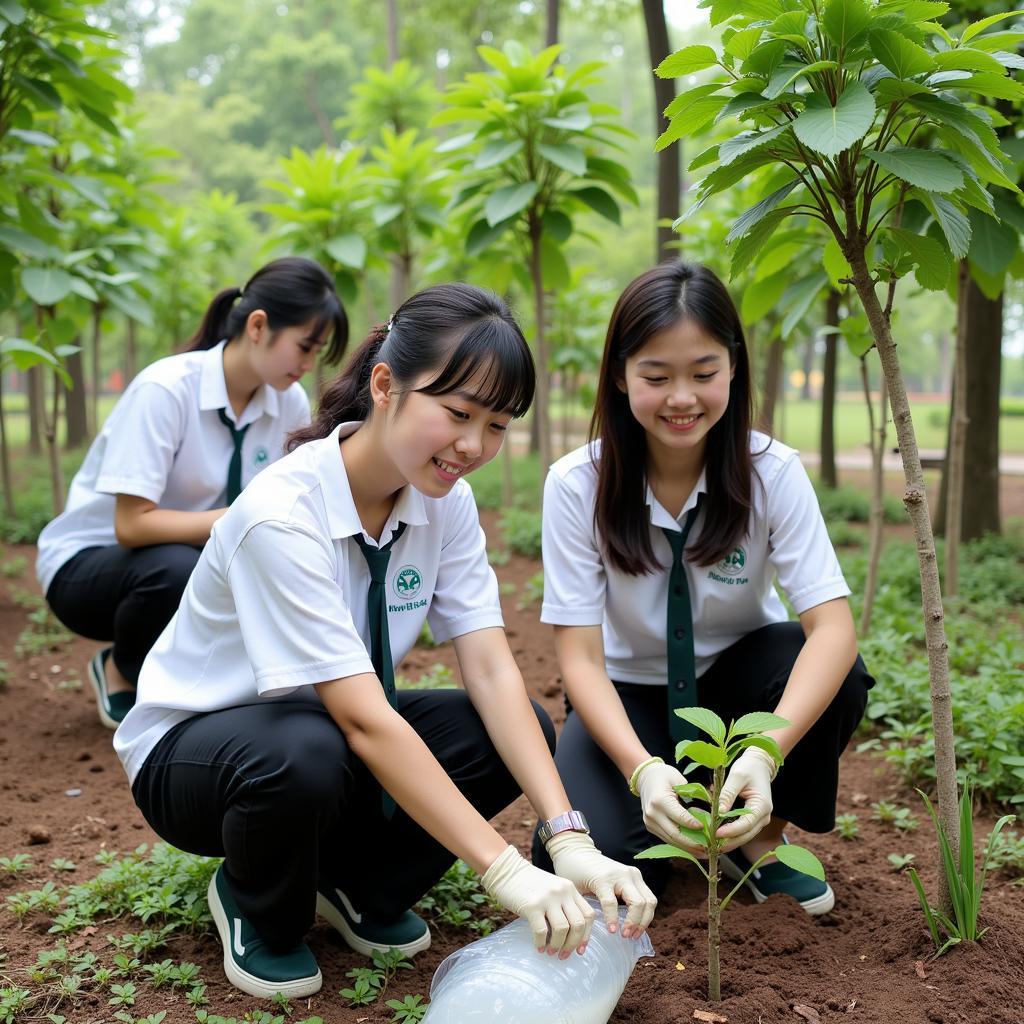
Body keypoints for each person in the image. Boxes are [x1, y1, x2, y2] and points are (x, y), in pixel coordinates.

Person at [112, 283, 657, 1000]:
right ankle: (253, 899)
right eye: (457, 412)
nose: (473, 445)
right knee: (309, 749)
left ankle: (351, 886)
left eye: (496, 425)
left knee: (510, 722)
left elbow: (489, 667)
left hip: (328, 736)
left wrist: (568, 837)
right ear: (384, 386)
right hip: (202, 754)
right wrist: (504, 869)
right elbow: (365, 720)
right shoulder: (283, 515)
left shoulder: (444, 503)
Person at [531, 261, 874, 916]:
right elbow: (577, 660)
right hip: (628, 701)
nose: (681, 398)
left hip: (739, 688)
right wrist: (640, 768)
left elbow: (832, 630)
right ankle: (665, 804)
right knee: (607, 870)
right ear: (619, 375)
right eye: (656, 377)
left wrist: (765, 753)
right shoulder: (576, 484)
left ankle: (758, 841)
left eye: (703, 373)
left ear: (735, 368)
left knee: (842, 673)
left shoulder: (773, 473)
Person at [36, 257, 347, 730]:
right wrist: (241, 519)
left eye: (318, 352)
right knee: (177, 568)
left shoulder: (286, 401)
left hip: (189, 554)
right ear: (259, 326)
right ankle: (121, 669)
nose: (308, 365)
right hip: (90, 567)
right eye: (304, 347)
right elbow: (131, 525)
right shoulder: (166, 390)